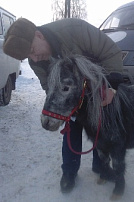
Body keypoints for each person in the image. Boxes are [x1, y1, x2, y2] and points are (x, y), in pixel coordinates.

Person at [3, 17, 123, 193]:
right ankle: (69, 172)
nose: (34, 59)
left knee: (99, 129)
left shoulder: (75, 29)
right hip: (70, 96)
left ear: (39, 35)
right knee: (71, 130)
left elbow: (111, 52)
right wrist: (58, 110)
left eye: (32, 51)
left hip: (96, 91)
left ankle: (101, 166)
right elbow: (48, 87)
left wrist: (111, 87)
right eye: (29, 57)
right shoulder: (35, 60)